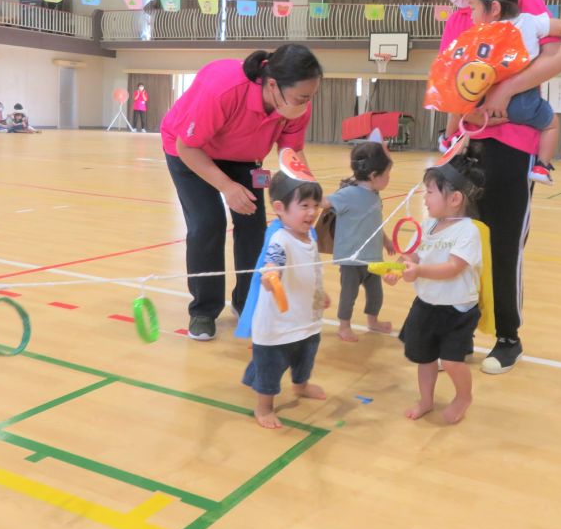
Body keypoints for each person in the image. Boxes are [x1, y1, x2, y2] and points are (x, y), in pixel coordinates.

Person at [425, 0, 561, 374]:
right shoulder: (457, 21)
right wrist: (448, 138)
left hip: (515, 141)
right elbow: (452, 82)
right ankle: (463, 329)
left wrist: (504, 90)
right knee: (463, 241)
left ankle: (508, 337)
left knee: (504, 245)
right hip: (471, 144)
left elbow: (558, 56)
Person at [161, 44, 322, 341]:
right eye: (302, 97)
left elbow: (291, 150)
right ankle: (203, 310)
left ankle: (246, 302)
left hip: (245, 158)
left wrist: (308, 190)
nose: (306, 104)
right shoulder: (223, 89)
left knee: (252, 226)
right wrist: (226, 186)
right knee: (208, 224)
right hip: (190, 151)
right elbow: (188, 146)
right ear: (272, 85)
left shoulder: (296, 104)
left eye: (310, 96)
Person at [383, 154, 486, 424]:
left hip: (457, 311)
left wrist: (418, 271)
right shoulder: (428, 225)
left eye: (429, 192)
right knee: (424, 357)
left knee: (452, 362)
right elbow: (414, 257)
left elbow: (453, 267)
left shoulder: (467, 231)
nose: (425, 198)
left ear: (454, 199)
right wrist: (398, 268)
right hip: (426, 304)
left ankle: (463, 397)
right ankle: (426, 400)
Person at [450, 0, 561, 184]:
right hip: (523, 103)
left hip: (485, 102)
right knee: (551, 124)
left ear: (494, 8)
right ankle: (542, 167)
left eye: (474, 8)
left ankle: (449, 138)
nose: (472, 14)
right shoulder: (528, 21)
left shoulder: (478, 34)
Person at [241, 172, 330, 429]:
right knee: (271, 365)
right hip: (278, 323)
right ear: (280, 208)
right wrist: (270, 278)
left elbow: (311, 269)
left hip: (305, 317)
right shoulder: (280, 240)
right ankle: (264, 406)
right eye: (304, 206)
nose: (312, 212)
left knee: (305, 355)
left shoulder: (308, 236)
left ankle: (300, 385)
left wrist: (319, 292)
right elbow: (273, 264)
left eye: (315, 205)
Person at [321, 141, 395, 342]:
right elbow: (323, 202)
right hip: (351, 260)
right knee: (349, 295)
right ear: (373, 176)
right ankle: (344, 326)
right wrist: (304, 186)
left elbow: (374, 224)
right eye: (387, 174)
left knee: (376, 294)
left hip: (372, 258)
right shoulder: (347, 195)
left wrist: (386, 241)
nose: (389, 178)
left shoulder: (374, 195)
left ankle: (373, 320)